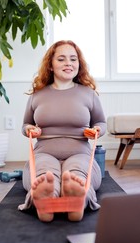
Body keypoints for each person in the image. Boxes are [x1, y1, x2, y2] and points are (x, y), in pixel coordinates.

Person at [18, 40, 107, 222]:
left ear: (78, 64)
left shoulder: (88, 94)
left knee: (77, 173)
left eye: (73, 59)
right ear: (50, 65)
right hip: (44, 152)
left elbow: (101, 122)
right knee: (44, 174)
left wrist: (97, 129)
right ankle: (46, 198)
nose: (68, 63)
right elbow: (25, 124)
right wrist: (30, 129)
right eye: (61, 59)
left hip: (79, 152)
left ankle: (76, 198)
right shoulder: (38, 94)